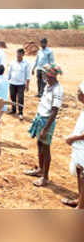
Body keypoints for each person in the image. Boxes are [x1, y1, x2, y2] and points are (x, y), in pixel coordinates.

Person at [26, 63, 63, 187]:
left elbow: (54, 111)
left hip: (47, 121)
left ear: (50, 75)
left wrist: (45, 129)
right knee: (39, 144)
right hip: (40, 118)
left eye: (44, 73)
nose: (43, 75)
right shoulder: (48, 85)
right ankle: (40, 170)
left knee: (46, 149)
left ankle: (45, 177)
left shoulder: (57, 89)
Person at [62, 81, 84, 209]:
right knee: (79, 173)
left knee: (83, 176)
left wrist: (73, 138)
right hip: (79, 146)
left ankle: (81, 207)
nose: (77, 93)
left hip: (82, 146)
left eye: (79, 92)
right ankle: (80, 199)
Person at [8, 49, 30, 120]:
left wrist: (27, 85)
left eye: (20, 54)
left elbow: (28, 75)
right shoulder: (12, 63)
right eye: (17, 54)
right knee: (12, 97)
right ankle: (13, 110)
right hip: (12, 83)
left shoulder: (26, 64)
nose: (18, 55)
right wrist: (8, 80)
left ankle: (20, 113)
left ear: (23, 55)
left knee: (20, 98)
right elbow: (9, 72)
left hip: (21, 84)